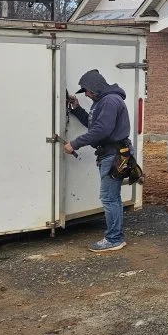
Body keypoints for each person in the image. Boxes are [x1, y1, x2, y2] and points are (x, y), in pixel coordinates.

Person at [65, 70, 132, 253]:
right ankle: (116, 236)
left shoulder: (110, 101)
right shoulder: (102, 101)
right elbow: (95, 126)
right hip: (111, 154)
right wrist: (77, 109)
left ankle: (114, 239)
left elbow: (101, 130)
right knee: (113, 197)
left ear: (94, 87)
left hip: (113, 155)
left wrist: (75, 144)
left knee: (109, 197)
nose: (86, 94)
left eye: (86, 91)